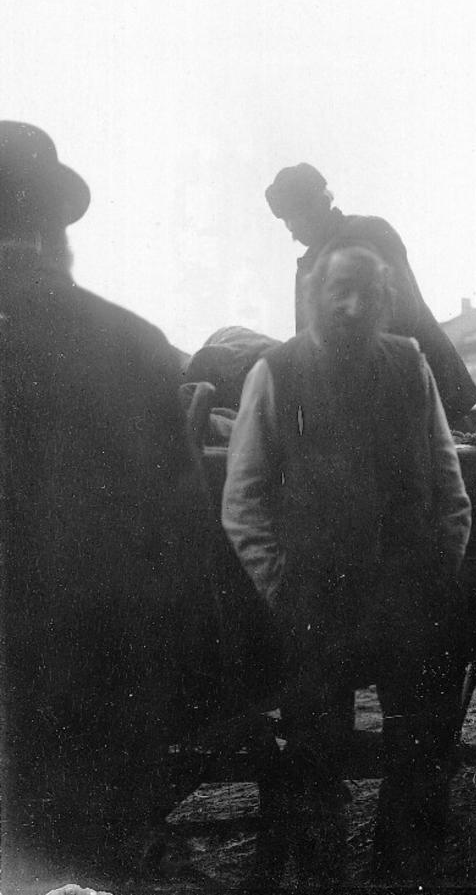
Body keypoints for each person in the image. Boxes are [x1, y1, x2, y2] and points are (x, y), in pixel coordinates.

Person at [0, 122, 279, 893]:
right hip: (93, 713)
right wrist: (236, 680)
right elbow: (186, 548)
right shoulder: (128, 345)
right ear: (55, 228)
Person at [222, 244, 472, 885]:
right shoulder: (275, 372)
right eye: (339, 291)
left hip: (407, 593)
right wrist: (282, 589)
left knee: (420, 751)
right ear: (315, 295)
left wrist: (438, 570)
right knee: (312, 760)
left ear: (384, 300)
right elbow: (244, 500)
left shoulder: (409, 362)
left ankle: (402, 871)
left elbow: (447, 479)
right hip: (316, 598)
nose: (352, 304)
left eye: (366, 291)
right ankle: (323, 877)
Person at [265, 162, 476, 427]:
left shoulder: (370, 233)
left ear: (318, 205)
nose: (291, 230)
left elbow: (402, 311)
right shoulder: (309, 263)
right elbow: (308, 337)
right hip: (364, 401)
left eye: (293, 217)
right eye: (285, 220)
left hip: (420, 389)